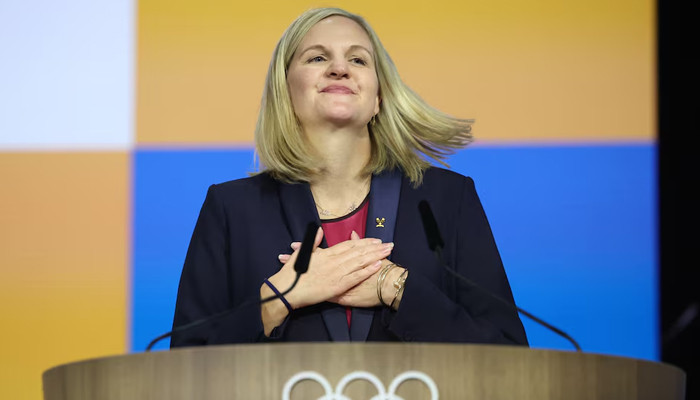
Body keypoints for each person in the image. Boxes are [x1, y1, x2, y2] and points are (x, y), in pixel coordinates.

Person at [171, 7, 528, 346]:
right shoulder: (232, 208)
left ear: (378, 98)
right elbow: (186, 367)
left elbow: (507, 355)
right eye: (317, 58)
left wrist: (397, 287)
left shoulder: (446, 198)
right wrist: (279, 298)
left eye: (358, 60)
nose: (340, 69)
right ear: (286, 90)